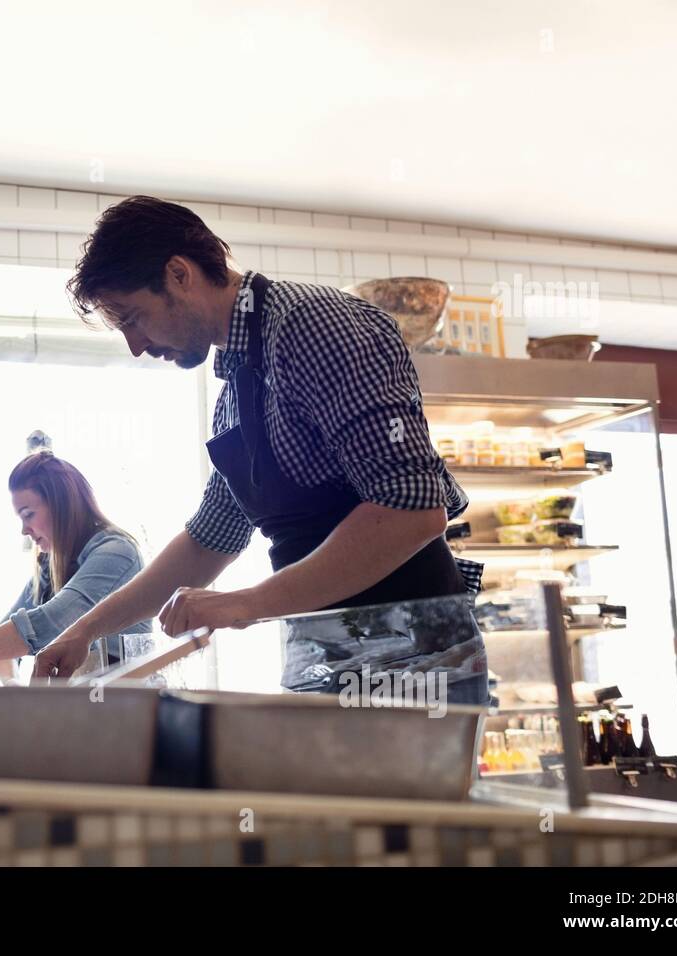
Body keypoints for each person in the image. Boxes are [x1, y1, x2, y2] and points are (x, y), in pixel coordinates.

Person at [32, 196, 487, 702]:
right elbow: (209, 539)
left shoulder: (315, 326)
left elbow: (413, 511)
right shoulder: (235, 386)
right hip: (323, 656)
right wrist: (83, 631)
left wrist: (246, 603)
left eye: (135, 319)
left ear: (180, 275)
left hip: (413, 658)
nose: (137, 346)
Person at [0, 451, 150, 681]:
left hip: (122, 708)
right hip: (78, 710)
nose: (24, 530)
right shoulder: (51, 567)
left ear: (61, 506)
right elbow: (2, 642)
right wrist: (14, 688)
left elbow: (50, 622)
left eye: (28, 514)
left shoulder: (117, 554)